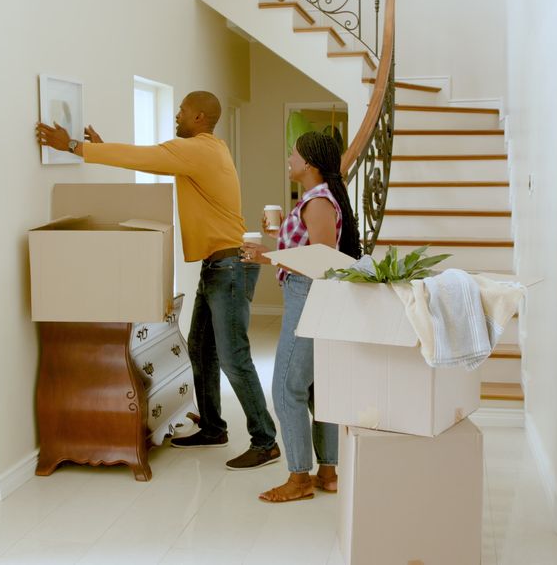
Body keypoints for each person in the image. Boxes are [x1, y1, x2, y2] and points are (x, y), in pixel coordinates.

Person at [34, 91, 280, 471]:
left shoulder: (198, 150)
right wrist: (100, 149)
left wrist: (72, 145)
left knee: (234, 358)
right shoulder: (206, 149)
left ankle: (265, 441)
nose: (176, 117)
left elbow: (148, 157)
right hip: (219, 266)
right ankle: (214, 428)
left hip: (229, 267)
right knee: (200, 349)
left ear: (199, 117)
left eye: (181, 112)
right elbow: (149, 158)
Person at [241, 131, 362, 502]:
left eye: (293, 154)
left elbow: (320, 262)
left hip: (308, 297)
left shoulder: (318, 202)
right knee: (315, 389)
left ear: (309, 164)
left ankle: (299, 478)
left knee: (285, 389)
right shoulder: (315, 200)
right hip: (311, 296)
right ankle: (327, 472)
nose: (289, 159)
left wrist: (267, 256)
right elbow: (311, 248)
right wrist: (279, 236)